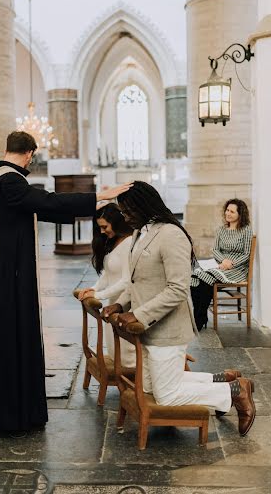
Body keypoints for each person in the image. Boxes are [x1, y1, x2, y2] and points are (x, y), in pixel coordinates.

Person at [0, 131, 132, 433]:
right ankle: (14, 412)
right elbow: (47, 200)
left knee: (5, 331)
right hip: (13, 270)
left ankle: (3, 405)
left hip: (5, 267)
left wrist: (89, 208)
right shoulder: (10, 180)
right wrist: (99, 196)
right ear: (30, 153)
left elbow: (41, 207)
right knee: (14, 331)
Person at [102, 181, 256, 437]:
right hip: (148, 329)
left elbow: (177, 288)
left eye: (128, 210)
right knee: (153, 388)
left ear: (144, 206)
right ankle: (223, 380)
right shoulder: (142, 232)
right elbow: (137, 279)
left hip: (167, 329)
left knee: (167, 396)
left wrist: (137, 314)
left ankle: (235, 392)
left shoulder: (171, 234)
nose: (125, 217)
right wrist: (119, 303)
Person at [77, 203, 135, 368]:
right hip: (113, 304)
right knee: (116, 353)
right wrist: (93, 288)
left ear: (117, 222)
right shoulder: (115, 241)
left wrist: (98, 296)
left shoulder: (129, 242)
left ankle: (134, 387)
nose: (102, 231)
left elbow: (126, 280)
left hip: (124, 304)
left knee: (127, 358)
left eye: (105, 227)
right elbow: (108, 273)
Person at [190, 199, 253, 331]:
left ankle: (199, 319)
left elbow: (246, 254)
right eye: (227, 210)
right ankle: (199, 315)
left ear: (240, 214)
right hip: (220, 265)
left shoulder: (246, 230)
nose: (228, 213)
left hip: (237, 268)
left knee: (207, 280)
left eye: (232, 211)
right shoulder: (221, 230)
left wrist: (231, 263)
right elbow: (216, 250)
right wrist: (223, 261)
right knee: (195, 276)